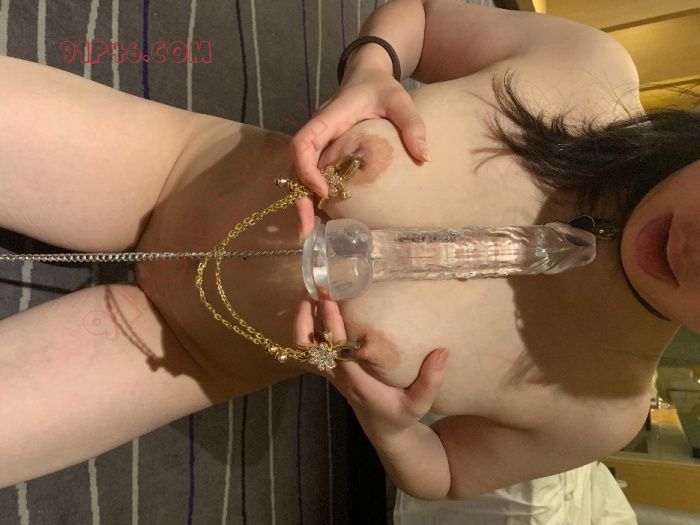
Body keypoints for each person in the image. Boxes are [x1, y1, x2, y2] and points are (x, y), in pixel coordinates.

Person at [0, 0, 697, 501]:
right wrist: (372, 69)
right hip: (169, 172)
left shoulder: (603, 407)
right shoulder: (587, 71)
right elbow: (421, 15)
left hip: (181, 349)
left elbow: (448, 473)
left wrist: (396, 432)